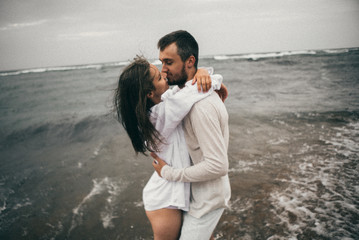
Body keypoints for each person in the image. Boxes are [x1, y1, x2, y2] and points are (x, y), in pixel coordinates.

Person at [114, 56, 224, 239]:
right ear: (149, 93)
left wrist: (201, 72)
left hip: (184, 189)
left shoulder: (164, 104)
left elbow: (188, 90)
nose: (164, 74)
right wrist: (209, 79)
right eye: (158, 77)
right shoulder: (159, 116)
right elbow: (198, 89)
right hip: (165, 199)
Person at [151, 30, 231, 240]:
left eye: (168, 62)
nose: (163, 70)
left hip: (208, 200)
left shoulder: (199, 106)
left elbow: (218, 166)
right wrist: (206, 74)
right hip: (195, 193)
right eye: (161, 62)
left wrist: (169, 173)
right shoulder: (185, 94)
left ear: (189, 61)